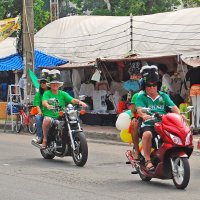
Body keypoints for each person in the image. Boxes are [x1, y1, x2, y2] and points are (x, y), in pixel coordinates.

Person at [136, 65, 180, 171]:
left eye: (154, 85)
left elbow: (175, 108)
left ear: (157, 85)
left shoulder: (164, 96)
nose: (152, 88)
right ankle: (148, 160)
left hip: (164, 124)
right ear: (144, 86)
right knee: (147, 134)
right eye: (149, 85)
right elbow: (140, 109)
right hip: (148, 124)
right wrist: (144, 115)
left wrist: (180, 115)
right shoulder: (141, 96)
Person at [41, 69, 87, 149]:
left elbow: (72, 100)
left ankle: (67, 140)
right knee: (47, 120)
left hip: (61, 115)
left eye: (56, 84)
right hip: (50, 116)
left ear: (59, 85)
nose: (55, 85)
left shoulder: (63, 93)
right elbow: (44, 102)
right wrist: (48, 105)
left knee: (73, 121)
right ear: (50, 85)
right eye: (53, 84)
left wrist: (80, 102)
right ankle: (45, 139)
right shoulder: (47, 93)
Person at [32, 69, 50, 144]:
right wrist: (39, 111)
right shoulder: (38, 94)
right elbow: (37, 104)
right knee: (38, 117)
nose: (42, 84)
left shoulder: (53, 92)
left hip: (53, 112)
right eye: (41, 82)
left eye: (44, 82)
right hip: (43, 113)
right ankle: (39, 136)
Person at [130, 92, 140, 160]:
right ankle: (137, 151)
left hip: (157, 118)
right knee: (134, 124)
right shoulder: (137, 96)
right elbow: (133, 111)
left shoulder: (161, 95)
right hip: (142, 118)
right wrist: (133, 118)